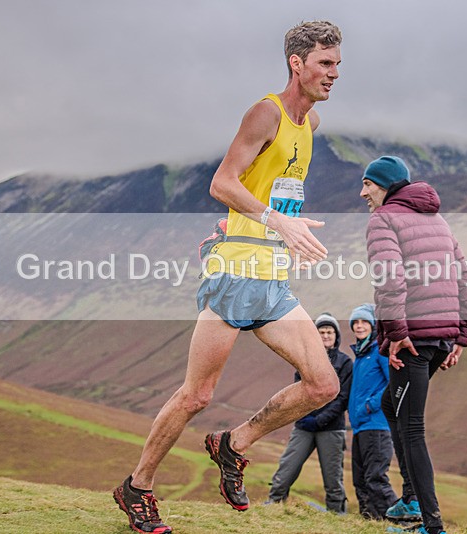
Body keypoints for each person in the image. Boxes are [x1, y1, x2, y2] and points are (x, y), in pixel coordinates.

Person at [113, 21, 342, 534]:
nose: (333, 74)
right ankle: (138, 486)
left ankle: (232, 444)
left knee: (323, 384)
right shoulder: (267, 111)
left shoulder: (312, 125)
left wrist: (290, 228)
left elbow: (271, 191)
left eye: (337, 65)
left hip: (272, 276)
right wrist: (273, 221)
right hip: (235, 272)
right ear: (297, 64)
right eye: (325, 64)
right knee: (196, 395)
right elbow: (223, 182)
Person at [359, 156, 467, 534]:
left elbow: (390, 279)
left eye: (368, 184)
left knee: (412, 428)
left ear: (388, 186)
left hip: (414, 340)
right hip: (439, 338)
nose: (362, 192)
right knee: (389, 405)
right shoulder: (438, 220)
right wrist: (460, 336)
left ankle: (431, 525)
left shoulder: (384, 219)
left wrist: (396, 333)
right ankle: (410, 498)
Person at [266, 312, 353, 513]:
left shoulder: (345, 363)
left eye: (329, 332)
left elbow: (342, 399)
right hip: (303, 427)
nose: (325, 336)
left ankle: (337, 514)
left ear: (336, 335)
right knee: (287, 467)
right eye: (321, 332)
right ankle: (274, 504)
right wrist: (304, 417)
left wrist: (320, 420)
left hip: (331, 429)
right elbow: (299, 391)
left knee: (333, 477)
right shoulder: (305, 360)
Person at [346, 303, 398, 520]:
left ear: (373, 325)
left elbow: (393, 383)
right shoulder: (361, 354)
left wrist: (371, 405)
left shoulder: (379, 350)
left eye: (363, 322)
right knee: (360, 479)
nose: (359, 327)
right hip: (360, 426)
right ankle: (370, 521)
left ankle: (401, 519)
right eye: (355, 323)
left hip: (376, 424)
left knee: (376, 477)